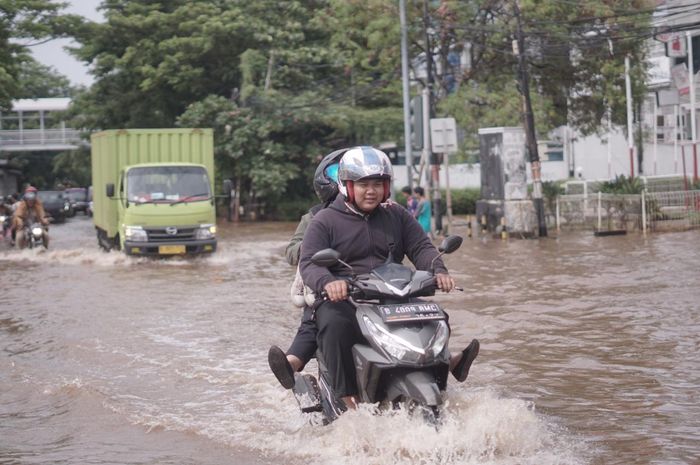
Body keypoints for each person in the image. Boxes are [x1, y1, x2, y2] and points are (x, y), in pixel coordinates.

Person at [298, 146, 479, 408]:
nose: (371, 191)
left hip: (393, 293)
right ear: (346, 186)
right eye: (363, 184)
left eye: (378, 184)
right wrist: (329, 282)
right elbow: (309, 262)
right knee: (333, 324)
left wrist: (439, 271)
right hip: (348, 298)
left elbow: (421, 248)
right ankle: (347, 397)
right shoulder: (325, 220)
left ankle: (443, 362)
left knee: (434, 314)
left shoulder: (397, 215)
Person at [268, 148, 348, 389]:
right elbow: (292, 252)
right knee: (316, 319)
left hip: (373, 283)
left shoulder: (386, 213)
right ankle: (292, 363)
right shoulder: (315, 216)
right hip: (327, 283)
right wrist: (314, 244)